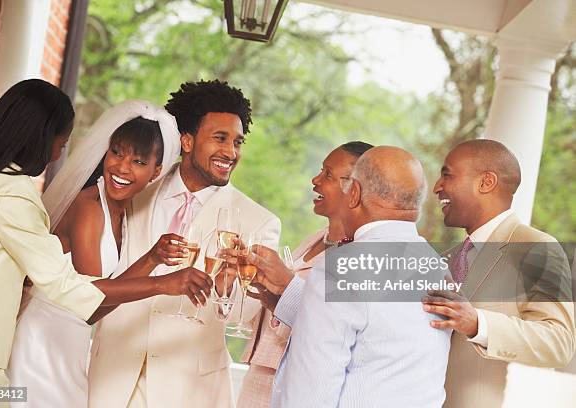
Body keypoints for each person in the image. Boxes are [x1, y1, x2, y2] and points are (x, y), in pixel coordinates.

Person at [0, 80, 212, 398]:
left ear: (156, 170)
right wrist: (165, 282)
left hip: (43, 347)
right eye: (62, 143)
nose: (58, 155)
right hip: (16, 351)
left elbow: (89, 300)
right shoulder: (29, 197)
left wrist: (151, 259)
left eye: (138, 161)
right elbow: (77, 296)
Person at [88, 80, 281, 408]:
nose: (230, 153)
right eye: (220, 138)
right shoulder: (133, 193)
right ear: (187, 141)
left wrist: (226, 283)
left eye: (237, 142)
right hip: (112, 378)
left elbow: (241, 317)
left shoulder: (258, 222)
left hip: (191, 392)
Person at [250, 146, 452, 407]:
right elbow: (378, 341)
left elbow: (310, 395)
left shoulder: (340, 269)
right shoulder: (437, 268)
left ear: (354, 193)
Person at [422, 139, 575, 407]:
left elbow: (558, 343)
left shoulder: (536, 248)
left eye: (447, 175)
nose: (437, 187)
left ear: (486, 183)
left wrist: (477, 323)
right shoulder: (445, 259)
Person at [237, 141, 373, 408]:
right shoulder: (314, 240)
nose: (315, 180)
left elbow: (341, 331)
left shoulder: (363, 257)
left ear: (354, 189)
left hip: (295, 384)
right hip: (260, 375)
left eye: (328, 175)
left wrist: (285, 284)